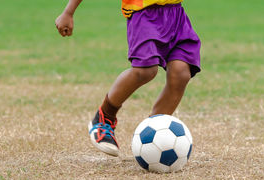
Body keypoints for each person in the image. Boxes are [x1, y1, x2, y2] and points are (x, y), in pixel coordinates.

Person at [55, 0, 201, 157]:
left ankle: (153, 134)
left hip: (176, 14)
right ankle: (104, 118)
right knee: (145, 71)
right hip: (144, 14)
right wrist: (68, 12)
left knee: (181, 73)